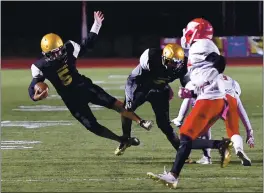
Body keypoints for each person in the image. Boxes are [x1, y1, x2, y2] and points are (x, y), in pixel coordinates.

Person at [28, 11, 153, 149]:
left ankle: (141, 121)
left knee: (114, 103)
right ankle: (121, 140)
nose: (58, 54)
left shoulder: (69, 47)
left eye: (59, 50)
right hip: (71, 99)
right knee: (92, 126)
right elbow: (33, 85)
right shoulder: (39, 66)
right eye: (54, 53)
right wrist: (35, 95)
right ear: (45, 54)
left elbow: (87, 45)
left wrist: (97, 25)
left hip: (84, 86)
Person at [147, 18, 233, 189]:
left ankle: (172, 177)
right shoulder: (203, 45)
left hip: (210, 99)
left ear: (195, 31)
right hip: (211, 99)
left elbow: (219, 62)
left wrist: (201, 84)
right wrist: (192, 91)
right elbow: (209, 68)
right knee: (186, 140)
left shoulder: (200, 45)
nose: (185, 34)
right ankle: (219, 145)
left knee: (185, 138)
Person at [114, 43, 188, 156]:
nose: (175, 66)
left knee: (164, 125)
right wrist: (129, 99)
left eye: (177, 63)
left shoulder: (182, 66)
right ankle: (125, 139)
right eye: (172, 62)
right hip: (142, 88)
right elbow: (131, 80)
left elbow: (187, 84)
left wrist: (187, 91)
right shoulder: (151, 58)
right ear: (164, 58)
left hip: (160, 91)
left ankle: (182, 154)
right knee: (126, 109)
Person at [172, 74, 254, 166]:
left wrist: (180, 118)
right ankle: (238, 149)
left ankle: (214, 149)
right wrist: (249, 132)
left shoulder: (199, 78)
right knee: (234, 131)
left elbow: (187, 100)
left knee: (187, 139)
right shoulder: (232, 88)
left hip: (214, 101)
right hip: (230, 99)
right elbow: (243, 114)